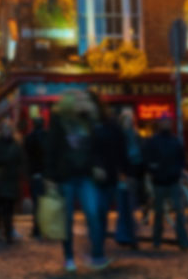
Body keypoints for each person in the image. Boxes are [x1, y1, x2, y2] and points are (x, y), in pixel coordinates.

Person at [45, 90, 110, 272]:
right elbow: (51, 149)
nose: (83, 102)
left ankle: (97, 255)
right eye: (79, 100)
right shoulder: (59, 121)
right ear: (69, 103)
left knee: (93, 214)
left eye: (85, 100)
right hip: (66, 176)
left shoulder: (89, 120)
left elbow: (96, 147)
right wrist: (50, 177)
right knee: (67, 220)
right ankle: (68, 257)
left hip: (86, 175)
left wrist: (97, 164)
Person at [144, 118, 188, 250]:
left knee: (179, 211)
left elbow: (181, 158)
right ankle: (157, 239)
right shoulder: (154, 141)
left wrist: (178, 171)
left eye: (168, 122)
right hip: (159, 181)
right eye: (164, 122)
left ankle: (183, 241)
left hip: (173, 181)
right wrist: (154, 170)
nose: (166, 124)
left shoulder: (175, 141)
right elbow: (148, 159)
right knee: (159, 213)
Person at [88, 93, 126, 250]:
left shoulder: (110, 126)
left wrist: (123, 171)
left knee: (101, 211)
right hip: (92, 177)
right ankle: (97, 245)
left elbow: (120, 149)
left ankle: (98, 245)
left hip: (109, 175)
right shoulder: (88, 126)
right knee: (97, 211)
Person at [0, 119, 24, 245]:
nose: (7, 131)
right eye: (4, 129)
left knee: (9, 208)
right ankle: (0, 230)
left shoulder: (16, 144)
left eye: (9, 129)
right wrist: (4, 160)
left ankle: (8, 233)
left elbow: (21, 161)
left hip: (11, 179)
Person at [115, 109, 142, 249]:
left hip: (131, 176)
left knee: (130, 207)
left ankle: (130, 236)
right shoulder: (121, 137)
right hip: (122, 177)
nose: (128, 122)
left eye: (129, 120)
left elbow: (139, 156)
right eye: (125, 119)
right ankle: (124, 235)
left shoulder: (134, 136)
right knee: (123, 207)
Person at [23, 111, 47, 239]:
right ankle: (43, 227)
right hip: (45, 173)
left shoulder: (29, 137)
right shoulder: (46, 136)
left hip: (35, 173)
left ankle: (37, 228)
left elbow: (26, 155)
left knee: (37, 203)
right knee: (44, 202)